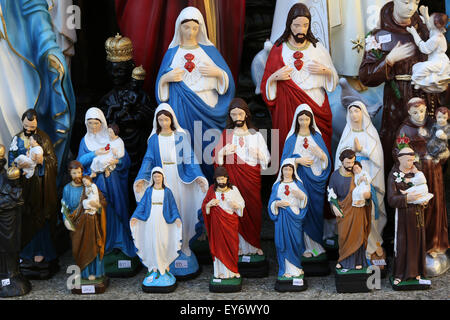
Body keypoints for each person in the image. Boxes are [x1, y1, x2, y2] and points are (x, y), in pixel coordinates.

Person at [359, 1, 441, 177]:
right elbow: (365, 76)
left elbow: (441, 65)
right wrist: (388, 61)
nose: (411, 7)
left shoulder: (426, 32)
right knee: (396, 151)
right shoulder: (378, 36)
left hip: (425, 100)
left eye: (415, 2)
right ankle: (397, 199)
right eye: (405, 1)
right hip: (396, 106)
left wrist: (439, 81)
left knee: (426, 154)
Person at [155, 6, 235, 180]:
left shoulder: (209, 51)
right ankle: (190, 184)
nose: (190, 32)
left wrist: (217, 73)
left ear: (200, 29)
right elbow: (161, 89)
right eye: (186, 27)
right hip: (181, 107)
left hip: (208, 106)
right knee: (186, 147)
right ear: (179, 28)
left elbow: (227, 81)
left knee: (209, 146)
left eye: (194, 28)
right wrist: (166, 78)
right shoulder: (172, 53)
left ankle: (213, 184)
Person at [0, 0, 76, 178]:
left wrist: (50, 49)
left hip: (17, 60)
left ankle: (24, 185)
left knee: (17, 111)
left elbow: (36, 13)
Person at [134, 103, 207, 278]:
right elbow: (148, 160)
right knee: (162, 213)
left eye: (166, 119)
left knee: (180, 210)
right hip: (162, 180)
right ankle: (166, 248)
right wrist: (141, 178)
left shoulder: (180, 136)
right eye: (160, 119)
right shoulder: (153, 139)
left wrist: (198, 176)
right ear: (156, 121)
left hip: (179, 180)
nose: (164, 122)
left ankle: (183, 246)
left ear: (172, 119)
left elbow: (189, 158)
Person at [261, 3, 338, 159]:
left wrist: (326, 72)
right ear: (290, 25)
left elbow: (333, 80)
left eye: (305, 25)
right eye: (297, 25)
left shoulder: (318, 49)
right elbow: (266, 86)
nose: (301, 29)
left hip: (315, 103)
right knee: (290, 146)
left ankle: (317, 180)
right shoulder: (279, 50)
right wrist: (275, 78)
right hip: (287, 107)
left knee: (317, 148)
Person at [76, 107, 139, 276]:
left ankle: (121, 244)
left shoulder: (112, 138)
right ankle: (104, 246)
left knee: (117, 212)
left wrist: (115, 162)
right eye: (90, 123)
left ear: (102, 123)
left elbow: (125, 160)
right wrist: (94, 154)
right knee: (100, 215)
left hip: (114, 184)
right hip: (96, 185)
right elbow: (80, 162)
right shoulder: (85, 141)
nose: (93, 126)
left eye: (96, 123)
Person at [214, 98, 270, 259]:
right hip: (233, 180)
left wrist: (258, 155)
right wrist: (223, 151)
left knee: (252, 210)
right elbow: (216, 161)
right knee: (233, 209)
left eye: (240, 113)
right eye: (234, 114)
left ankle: (253, 245)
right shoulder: (227, 134)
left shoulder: (256, 135)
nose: (237, 117)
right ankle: (237, 245)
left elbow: (266, 159)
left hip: (251, 179)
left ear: (246, 115)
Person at [394, 97, 449, 259]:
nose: (419, 115)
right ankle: (418, 245)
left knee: (436, 206)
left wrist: (442, 154)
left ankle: (435, 243)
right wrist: (412, 162)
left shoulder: (433, 124)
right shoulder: (404, 129)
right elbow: (399, 150)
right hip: (417, 174)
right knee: (419, 208)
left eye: (422, 111)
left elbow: (443, 143)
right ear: (409, 112)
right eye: (415, 112)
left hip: (434, 172)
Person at [8, 109, 58, 278]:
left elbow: (53, 161)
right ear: (22, 123)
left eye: (33, 125)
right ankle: (25, 254)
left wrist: (42, 161)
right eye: (27, 126)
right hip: (23, 186)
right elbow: (11, 160)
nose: (30, 128)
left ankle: (42, 253)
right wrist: (17, 168)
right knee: (24, 218)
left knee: (40, 218)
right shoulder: (16, 139)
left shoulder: (43, 138)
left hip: (40, 186)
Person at [335, 101, 386, 261]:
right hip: (351, 183)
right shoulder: (346, 135)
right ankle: (356, 248)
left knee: (371, 214)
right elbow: (339, 162)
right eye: (351, 112)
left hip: (369, 179)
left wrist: (361, 150)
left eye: (356, 111)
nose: (353, 115)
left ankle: (373, 246)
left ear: (363, 114)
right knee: (355, 215)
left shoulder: (371, 134)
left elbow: (378, 159)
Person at [281, 104, 331, 259]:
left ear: (311, 120)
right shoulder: (292, 139)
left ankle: (316, 244)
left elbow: (326, 160)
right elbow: (284, 161)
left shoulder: (316, 137)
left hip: (315, 180)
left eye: (306, 119)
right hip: (299, 179)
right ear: (297, 120)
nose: (303, 122)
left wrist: (321, 155)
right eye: (301, 119)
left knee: (315, 211)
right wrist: (298, 160)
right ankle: (304, 246)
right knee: (301, 209)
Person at [130, 168, 182, 290]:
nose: (157, 179)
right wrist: (135, 216)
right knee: (152, 241)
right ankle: (154, 266)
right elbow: (142, 205)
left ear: (163, 177)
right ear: (152, 178)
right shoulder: (149, 191)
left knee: (163, 242)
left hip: (163, 220)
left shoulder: (167, 192)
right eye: (155, 177)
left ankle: (164, 265)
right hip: (151, 220)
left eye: (159, 177)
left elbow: (173, 207)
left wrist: (177, 218)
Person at [387, 147, 427, 286]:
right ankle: (399, 274)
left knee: (416, 244)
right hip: (403, 216)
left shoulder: (417, 172)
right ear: (400, 159)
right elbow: (391, 199)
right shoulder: (394, 176)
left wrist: (424, 199)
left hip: (417, 215)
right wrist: (407, 199)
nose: (411, 163)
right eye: (408, 160)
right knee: (402, 245)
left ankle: (415, 272)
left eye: (412, 159)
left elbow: (424, 187)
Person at [61, 161, 107, 282]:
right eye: (74, 173)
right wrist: (66, 220)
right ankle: (84, 274)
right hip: (77, 225)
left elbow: (102, 201)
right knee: (79, 250)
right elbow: (64, 208)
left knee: (94, 247)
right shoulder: (67, 189)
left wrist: (98, 207)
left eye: (79, 172)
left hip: (91, 222)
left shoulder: (89, 186)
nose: (77, 175)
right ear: (70, 174)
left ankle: (96, 273)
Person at [327, 149, 371, 270]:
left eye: (352, 162)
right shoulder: (335, 176)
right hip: (343, 211)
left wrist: (368, 197)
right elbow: (331, 194)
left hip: (358, 211)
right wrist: (334, 206)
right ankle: (343, 260)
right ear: (341, 161)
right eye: (347, 163)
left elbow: (366, 189)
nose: (350, 166)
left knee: (358, 235)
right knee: (343, 237)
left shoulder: (358, 174)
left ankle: (358, 261)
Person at [202, 166, 244, 280]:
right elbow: (204, 206)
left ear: (227, 178)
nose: (221, 181)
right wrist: (209, 204)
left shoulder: (234, 189)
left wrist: (237, 206)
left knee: (232, 246)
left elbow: (241, 204)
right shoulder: (212, 190)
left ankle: (233, 270)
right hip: (217, 224)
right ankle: (219, 272)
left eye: (223, 179)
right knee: (219, 247)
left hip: (230, 222)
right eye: (218, 179)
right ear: (216, 180)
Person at [268, 159, 308, 279]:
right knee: (282, 242)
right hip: (281, 217)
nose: (287, 171)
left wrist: (301, 196)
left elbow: (304, 201)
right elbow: (271, 201)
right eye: (285, 169)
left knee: (296, 241)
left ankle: (296, 268)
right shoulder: (277, 185)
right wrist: (276, 204)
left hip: (294, 215)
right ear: (281, 170)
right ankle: (285, 269)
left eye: (290, 169)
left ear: (293, 171)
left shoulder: (298, 184)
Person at [406, 9, 450, 93]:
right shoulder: (437, 31)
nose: (428, 20)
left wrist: (414, 33)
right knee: (417, 67)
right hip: (435, 59)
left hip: (439, 62)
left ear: (436, 24)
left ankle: (419, 82)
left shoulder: (437, 38)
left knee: (421, 69)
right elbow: (430, 27)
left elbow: (424, 48)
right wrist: (425, 14)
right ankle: (421, 82)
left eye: (430, 19)